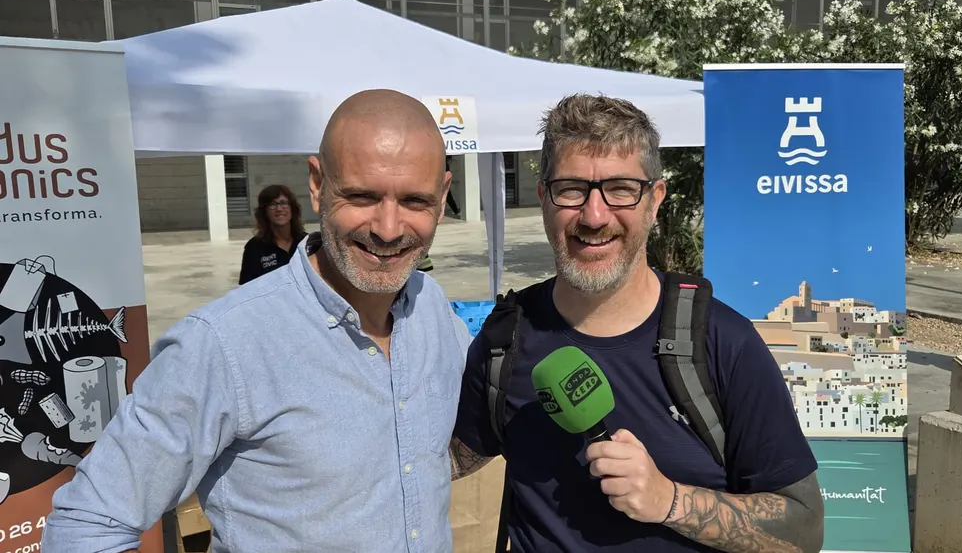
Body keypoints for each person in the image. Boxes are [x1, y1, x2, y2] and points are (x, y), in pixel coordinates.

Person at [41, 89, 472, 553]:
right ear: (317, 184)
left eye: (415, 201)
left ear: (443, 195)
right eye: (362, 196)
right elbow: (85, 528)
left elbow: (429, 456)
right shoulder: (223, 343)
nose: (388, 228)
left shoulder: (433, 309)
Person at [449, 94, 824, 553]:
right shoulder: (503, 341)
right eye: (571, 189)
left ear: (655, 199)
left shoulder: (724, 343)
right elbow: (447, 460)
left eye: (621, 189)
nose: (594, 216)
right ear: (544, 198)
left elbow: (804, 531)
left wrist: (669, 500)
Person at [238, 183, 308, 285]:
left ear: (292, 210)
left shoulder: (307, 242)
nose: (279, 209)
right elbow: (246, 288)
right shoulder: (254, 248)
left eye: (284, 203)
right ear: (264, 212)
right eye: (272, 204)